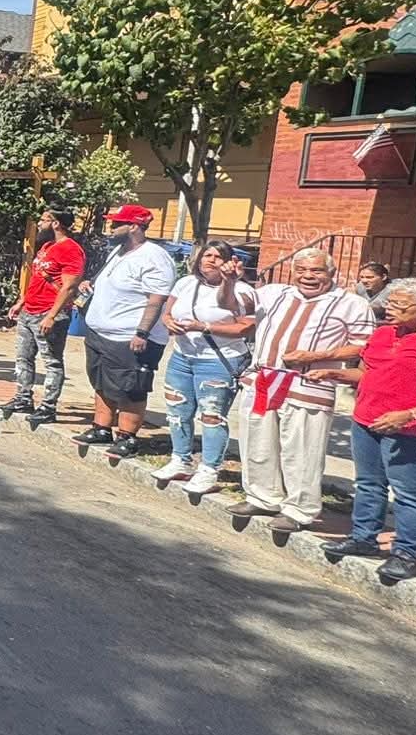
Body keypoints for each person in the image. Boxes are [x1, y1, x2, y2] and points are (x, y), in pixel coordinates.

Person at [317, 276, 416, 584]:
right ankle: (364, 538)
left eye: (399, 305)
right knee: (367, 484)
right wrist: (334, 374)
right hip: (367, 421)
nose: (389, 309)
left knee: (407, 493)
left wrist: (408, 414)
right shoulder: (383, 334)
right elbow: (365, 373)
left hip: (413, 431)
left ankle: (406, 554)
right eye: (389, 302)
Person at [226, 247, 377, 531]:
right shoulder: (274, 293)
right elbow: (233, 306)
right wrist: (229, 281)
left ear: (332, 273)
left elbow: (364, 345)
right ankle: (262, 496)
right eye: (302, 270)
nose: (308, 276)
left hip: (309, 384)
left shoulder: (352, 304)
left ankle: (300, 509)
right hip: (263, 379)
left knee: (302, 449)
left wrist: (313, 356)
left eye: (316, 271)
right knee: (256, 440)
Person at [150, 243, 256, 495]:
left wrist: (204, 327)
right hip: (182, 356)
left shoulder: (243, 291)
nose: (211, 260)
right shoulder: (186, 283)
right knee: (177, 411)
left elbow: (245, 328)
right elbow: (167, 312)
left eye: (218, 256)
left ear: (230, 262)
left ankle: (209, 469)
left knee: (212, 416)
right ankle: (181, 459)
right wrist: (169, 323)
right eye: (207, 255)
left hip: (219, 360)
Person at [73, 204, 177, 460]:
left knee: (130, 387)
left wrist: (142, 333)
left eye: (117, 224)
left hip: (130, 337)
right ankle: (101, 428)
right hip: (101, 332)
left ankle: (127, 437)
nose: (111, 228)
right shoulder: (118, 252)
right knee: (101, 382)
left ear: (134, 227)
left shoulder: (154, 257)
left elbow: (156, 299)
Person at [1, 208, 86, 426]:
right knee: (23, 358)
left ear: (56, 224)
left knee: (52, 361)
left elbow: (69, 286)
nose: (39, 224)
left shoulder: (70, 249)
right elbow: (38, 277)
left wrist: (52, 316)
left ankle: (48, 407)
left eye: (44, 220)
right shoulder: (47, 247)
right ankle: (23, 397)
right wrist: (21, 302)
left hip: (49, 313)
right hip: (30, 310)